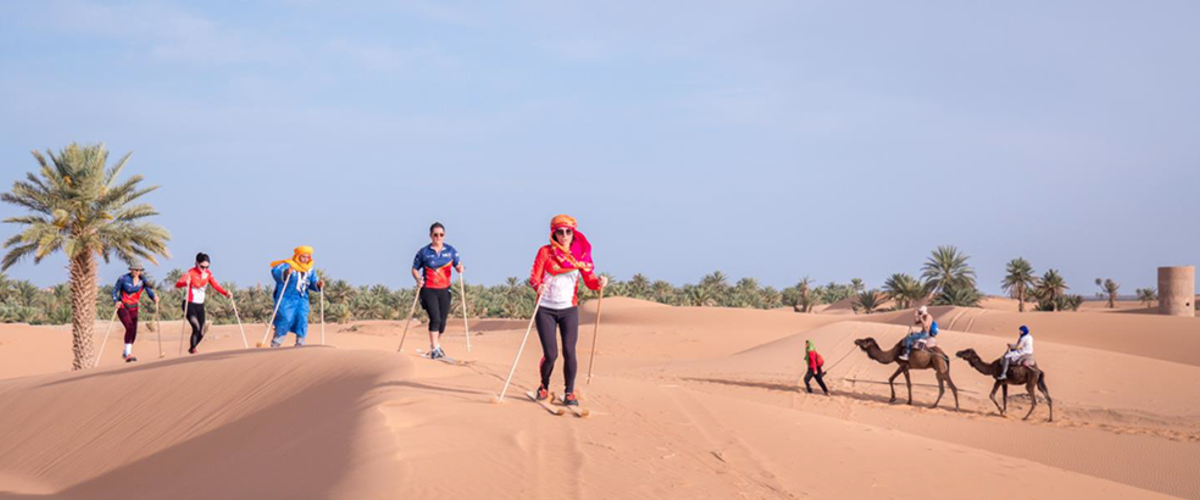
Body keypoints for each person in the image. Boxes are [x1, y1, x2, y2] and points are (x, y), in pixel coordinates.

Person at [528, 215, 608, 406]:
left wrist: (599, 283)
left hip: (568, 309)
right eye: (560, 232)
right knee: (551, 354)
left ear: (574, 233)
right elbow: (534, 276)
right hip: (545, 308)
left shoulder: (580, 255)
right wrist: (537, 286)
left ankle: (569, 392)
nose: (564, 235)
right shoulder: (545, 252)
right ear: (553, 233)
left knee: (570, 352)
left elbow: (590, 281)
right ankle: (543, 386)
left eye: (568, 231)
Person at [411, 222, 463, 359]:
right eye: (435, 235)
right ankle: (435, 348)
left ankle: (435, 346)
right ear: (430, 236)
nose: (438, 237)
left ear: (444, 236)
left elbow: (458, 265)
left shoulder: (451, 251)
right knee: (435, 318)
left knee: (443, 322)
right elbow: (415, 268)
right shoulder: (424, 252)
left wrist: (460, 268)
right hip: (429, 289)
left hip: (444, 290)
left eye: (441, 235)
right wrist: (418, 279)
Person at [175, 253, 230, 354]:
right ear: (196, 263)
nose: (204, 269)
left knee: (202, 332)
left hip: (200, 305)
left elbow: (216, 285)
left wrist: (226, 293)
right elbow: (177, 284)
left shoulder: (208, 274)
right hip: (189, 303)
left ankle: (192, 348)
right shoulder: (190, 273)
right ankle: (194, 350)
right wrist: (185, 282)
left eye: (207, 267)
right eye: (202, 266)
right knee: (196, 327)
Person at [269, 246, 324, 348]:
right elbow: (275, 271)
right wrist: (286, 272)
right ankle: (276, 343)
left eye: (308, 257)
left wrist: (318, 284)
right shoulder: (288, 265)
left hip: (302, 299)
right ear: (298, 256)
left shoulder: (310, 269)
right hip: (286, 298)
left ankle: (300, 343)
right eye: (303, 257)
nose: (306, 259)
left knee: (302, 319)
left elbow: (312, 282)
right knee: (285, 319)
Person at [111, 263, 159, 362]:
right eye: (135, 270)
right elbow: (114, 290)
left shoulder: (143, 280)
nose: (138, 272)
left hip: (134, 307)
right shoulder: (123, 278)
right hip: (123, 306)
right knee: (129, 327)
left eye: (139, 270)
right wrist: (116, 301)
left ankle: (127, 352)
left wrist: (154, 297)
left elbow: (149, 291)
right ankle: (128, 354)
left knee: (134, 331)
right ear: (131, 270)